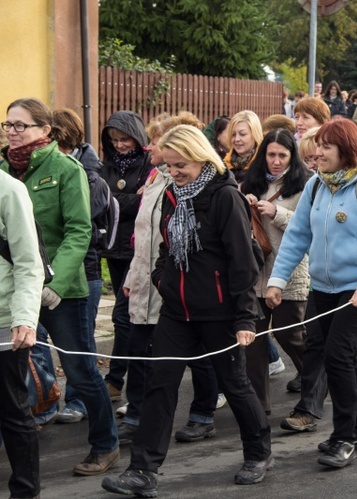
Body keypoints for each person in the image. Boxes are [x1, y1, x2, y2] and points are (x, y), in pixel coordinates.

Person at [101, 125, 272, 496]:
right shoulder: (172, 194)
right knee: (160, 385)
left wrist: (245, 317)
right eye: (169, 165)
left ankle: (259, 452)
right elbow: (166, 247)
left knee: (235, 384)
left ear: (200, 157)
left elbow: (243, 261)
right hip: (176, 312)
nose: (174, 172)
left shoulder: (225, 197)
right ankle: (142, 470)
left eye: (181, 165)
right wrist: (163, 279)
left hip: (221, 312)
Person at [267, 119, 357, 469]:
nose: (317, 153)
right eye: (316, 146)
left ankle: (345, 436)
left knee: (339, 355)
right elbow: (296, 236)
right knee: (322, 351)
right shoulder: (316, 187)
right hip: (321, 286)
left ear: (346, 150)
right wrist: (277, 280)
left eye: (325, 147)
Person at [2, 97, 120, 474]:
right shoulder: (5, 171)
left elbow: (79, 230)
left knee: (80, 369)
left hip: (61, 291)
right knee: (11, 372)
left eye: (21, 125)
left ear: (45, 131)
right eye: (8, 124)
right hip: (15, 287)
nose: (12, 131)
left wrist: (57, 281)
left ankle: (105, 444)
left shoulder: (65, 168)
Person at [116, 113, 223, 446]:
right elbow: (145, 234)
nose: (149, 147)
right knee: (140, 348)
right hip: (149, 279)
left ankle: (203, 414)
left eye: (156, 143)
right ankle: (137, 415)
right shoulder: (154, 180)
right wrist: (138, 276)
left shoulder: (190, 186)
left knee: (197, 354)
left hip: (179, 287)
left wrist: (164, 279)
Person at [241, 129, 311, 413]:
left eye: (283, 155)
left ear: (292, 157)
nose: (276, 161)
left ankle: (318, 376)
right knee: (253, 342)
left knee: (289, 334)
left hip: (290, 273)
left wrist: (276, 213)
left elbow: (309, 226)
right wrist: (243, 207)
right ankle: (259, 405)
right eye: (271, 154)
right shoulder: (250, 183)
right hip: (255, 273)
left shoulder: (304, 186)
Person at [50, 109, 107, 424]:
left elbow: (81, 227)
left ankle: (80, 401)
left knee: (79, 346)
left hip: (84, 273)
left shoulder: (87, 175)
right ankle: (45, 398)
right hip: (49, 274)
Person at [100, 110, 152, 403]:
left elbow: (143, 205)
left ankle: (119, 378)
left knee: (125, 316)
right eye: (115, 140)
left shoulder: (147, 164)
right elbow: (101, 201)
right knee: (123, 317)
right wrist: (130, 199)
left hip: (137, 250)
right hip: (114, 248)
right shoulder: (106, 165)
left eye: (125, 139)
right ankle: (121, 377)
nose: (120, 145)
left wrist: (116, 200)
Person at [0, 167, 45, 499]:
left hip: (4, 321)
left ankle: (26, 492)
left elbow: (30, 262)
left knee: (13, 411)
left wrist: (25, 319)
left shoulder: (9, 191)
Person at [224, 110, 264, 185]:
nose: (237, 139)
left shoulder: (264, 164)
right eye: (233, 134)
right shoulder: (223, 166)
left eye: (242, 134)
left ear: (255, 134)